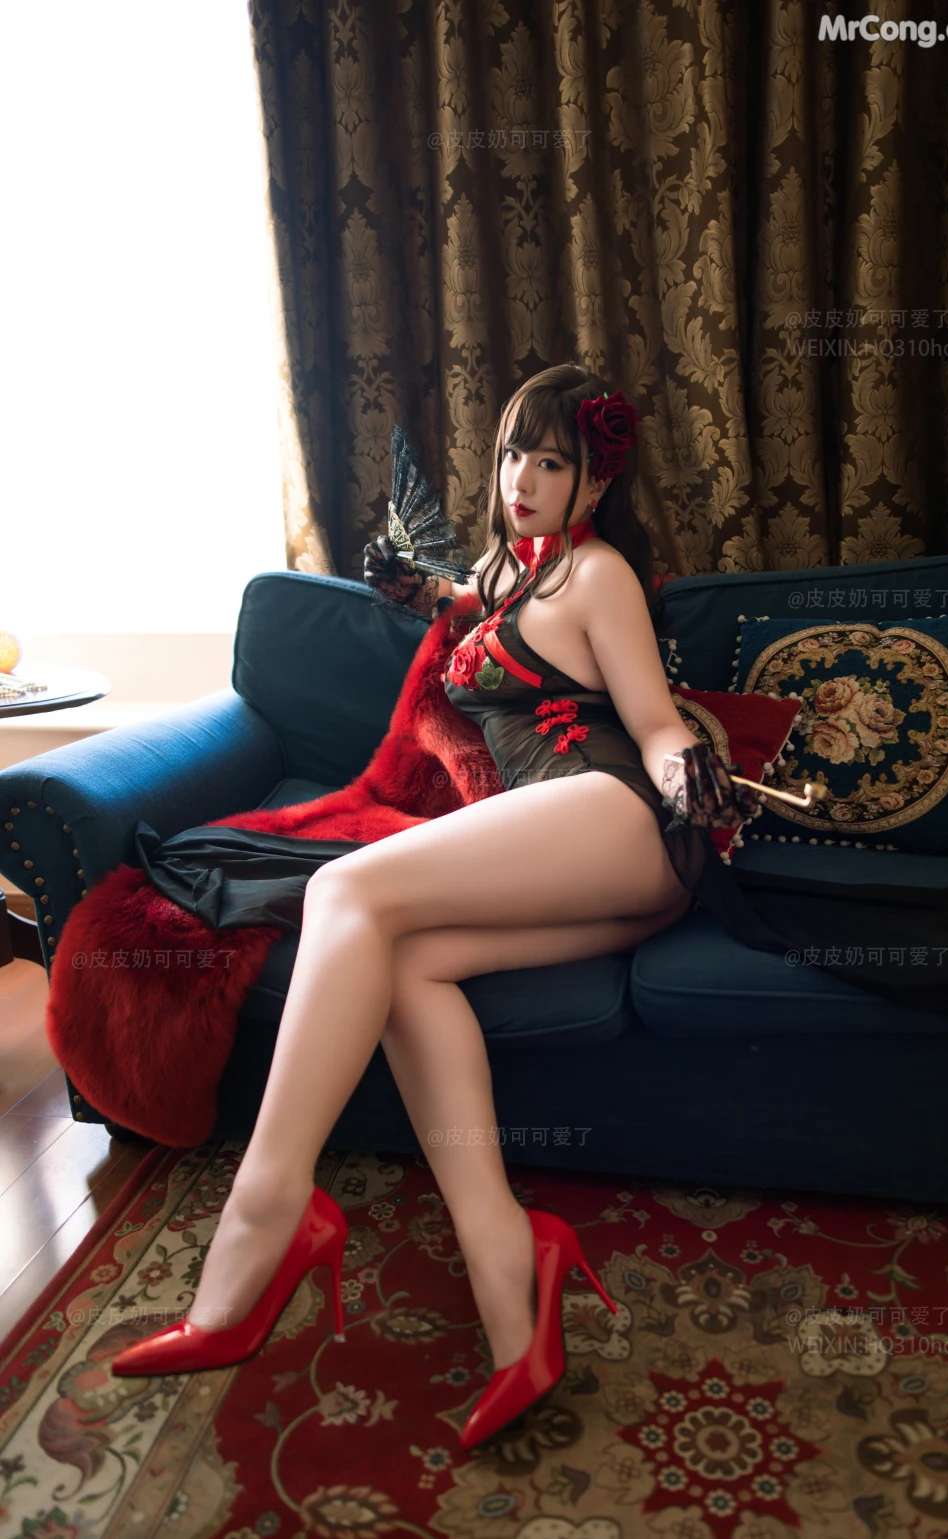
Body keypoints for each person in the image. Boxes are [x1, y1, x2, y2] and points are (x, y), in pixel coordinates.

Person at [110, 363, 755, 1451]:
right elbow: (474, 627)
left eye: (552, 462)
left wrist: (686, 769)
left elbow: (649, 722)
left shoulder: (599, 575)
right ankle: (510, 1270)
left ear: (595, 482)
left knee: (343, 886)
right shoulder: (506, 573)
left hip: (619, 818)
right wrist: (422, 599)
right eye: (512, 455)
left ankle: (266, 1211)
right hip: (567, 850)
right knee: (402, 962)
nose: (522, 479)